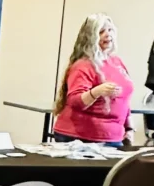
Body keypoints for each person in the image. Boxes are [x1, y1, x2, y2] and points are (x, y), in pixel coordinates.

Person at [52, 14, 135, 147]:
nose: (108, 35)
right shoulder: (83, 65)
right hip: (80, 136)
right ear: (90, 37)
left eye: (110, 30)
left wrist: (129, 128)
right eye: (101, 32)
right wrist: (97, 91)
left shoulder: (117, 62)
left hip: (113, 136)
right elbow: (75, 101)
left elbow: (124, 98)